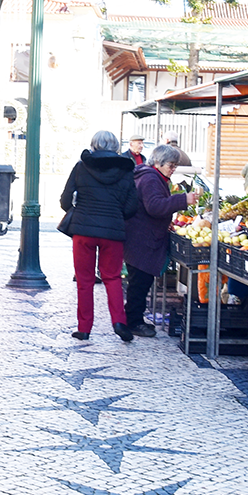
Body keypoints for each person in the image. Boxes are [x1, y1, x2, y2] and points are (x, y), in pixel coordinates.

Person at [61, 130, 138, 341]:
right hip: (113, 231)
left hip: (83, 230)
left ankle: (84, 328)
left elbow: (65, 201)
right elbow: (132, 206)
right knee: (112, 277)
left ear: (93, 145)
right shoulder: (125, 169)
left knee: (85, 280)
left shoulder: (81, 166)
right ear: (115, 147)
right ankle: (119, 322)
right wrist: (115, 214)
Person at [124, 144, 201, 337]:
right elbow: (155, 206)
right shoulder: (150, 178)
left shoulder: (153, 176)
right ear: (158, 162)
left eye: (175, 165)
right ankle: (133, 322)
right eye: (171, 165)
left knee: (140, 283)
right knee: (139, 284)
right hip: (142, 241)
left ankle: (135, 320)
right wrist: (183, 200)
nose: (173, 169)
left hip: (140, 238)